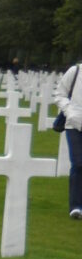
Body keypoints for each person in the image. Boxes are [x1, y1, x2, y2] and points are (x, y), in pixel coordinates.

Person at [54, 62, 82, 219]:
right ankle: (76, 206)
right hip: (74, 124)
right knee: (78, 163)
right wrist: (69, 110)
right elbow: (60, 94)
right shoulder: (75, 71)